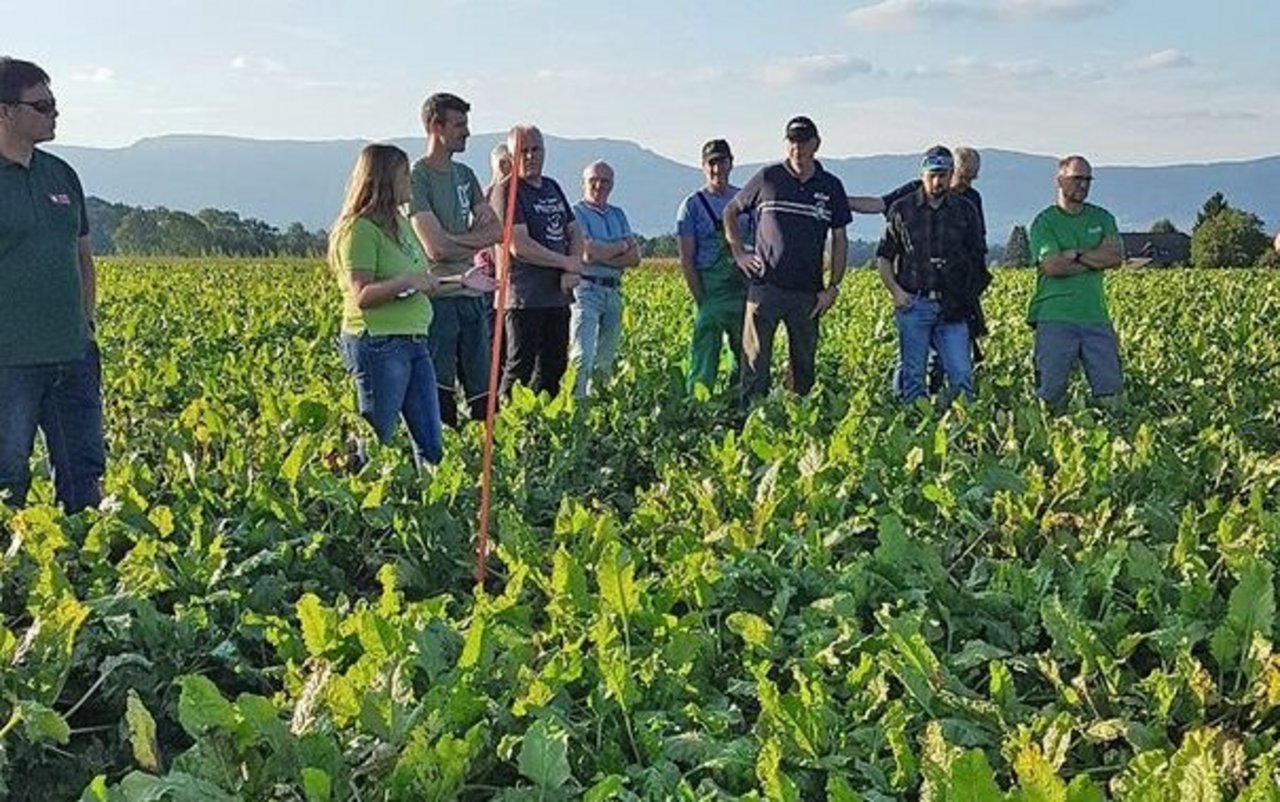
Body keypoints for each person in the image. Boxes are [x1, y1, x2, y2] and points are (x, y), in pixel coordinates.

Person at [330, 144, 493, 466]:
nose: (410, 182)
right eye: (404, 175)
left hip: (416, 340)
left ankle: (431, 508)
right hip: (380, 343)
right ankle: (354, 499)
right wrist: (405, 281)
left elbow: (420, 282)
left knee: (431, 442)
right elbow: (362, 295)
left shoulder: (401, 225)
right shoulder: (359, 230)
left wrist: (460, 282)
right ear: (385, 179)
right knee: (378, 439)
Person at [0, 57, 105, 512]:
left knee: (84, 472)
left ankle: (84, 571)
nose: (54, 113)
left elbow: (82, 256)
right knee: (6, 477)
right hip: (10, 360)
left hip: (72, 355)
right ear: (5, 112)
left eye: (55, 103)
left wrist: (85, 324)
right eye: (41, 106)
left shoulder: (61, 174)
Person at [724, 116, 850, 403]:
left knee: (804, 369)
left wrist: (833, 287)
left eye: (803, 141)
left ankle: (798, 427)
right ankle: (750, 423)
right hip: (765, 288)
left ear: (815, 145)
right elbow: (731, 211)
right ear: (786, 144)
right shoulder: (768, 178)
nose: (797, 147)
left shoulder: (830, 186)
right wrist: (739, 252)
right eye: (792, 141)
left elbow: (840, 238)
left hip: (808, 293)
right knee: (755, 367)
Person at [851, 146, 990, 397]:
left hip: (953, 303)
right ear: (923, 175)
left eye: (944, 175)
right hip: (915, 301)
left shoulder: (967, 207)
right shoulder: (903, 207)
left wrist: (968, 292)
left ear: (950, 174)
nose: (938, 181)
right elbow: (884, 255)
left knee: (960, 372)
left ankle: (959, 426)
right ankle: (913, 422)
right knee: (912, 373)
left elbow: (977, 254)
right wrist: (896, 292)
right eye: (933, 175)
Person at [408, 93, 502, 427]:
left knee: (484, 394)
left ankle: (487, 463)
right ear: (436, 126)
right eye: (459, 125)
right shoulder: (417, 178)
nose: (467, 132)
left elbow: (496, 231)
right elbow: (435, 249)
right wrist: (466, 243)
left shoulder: (466, 175)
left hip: (473, 295)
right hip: (440, 298)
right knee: (439, 392)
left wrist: (455, 241)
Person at [492, 125, 584, 398]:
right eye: (523, 151)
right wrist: (564, 263)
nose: (530, 156)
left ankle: (544, 427)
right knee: (519, 370)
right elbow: (520, 246)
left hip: (557, 296)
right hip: (524, 299)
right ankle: (506, 426)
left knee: (554, 368)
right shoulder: (507, 191)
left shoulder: (552, 187)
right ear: (511, 155)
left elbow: (575, 231)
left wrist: (573, 263)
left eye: (536, 150)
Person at [1027, 155, 1125, 409]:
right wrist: (1094, 257)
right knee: (1050, 394)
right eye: (1076, 178)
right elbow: (1052, 266)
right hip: (1054, 317)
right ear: (1060, 181)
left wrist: (1076, 254)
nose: (1083, 184)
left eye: (1087, 179)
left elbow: (1115, 257)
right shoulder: (1044, 222)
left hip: (1096, 316)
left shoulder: (1102, 218)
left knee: (1111, 392)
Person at [676, 138, 753, 395]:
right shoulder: (692, 205)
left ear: (731, 164)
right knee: (704, 355)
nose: (717, 169)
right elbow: (687, 259)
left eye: (722, 162)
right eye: (712, 163)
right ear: (703, 167)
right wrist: (701, 297)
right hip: (711, 286)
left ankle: (738, 403)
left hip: (742, 287)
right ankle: (699, 409)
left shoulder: (745, 201)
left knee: (745, 353)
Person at [568, 161, 640, 398]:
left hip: (613, 292)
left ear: (612, 185)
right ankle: (577, 408)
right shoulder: (576, 213)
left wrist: (603, 253)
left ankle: (599, 408)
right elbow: (587, 254)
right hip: (587, 289)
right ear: (584, 182)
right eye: (593, 181)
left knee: (605, 361)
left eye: (605, 181)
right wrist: (619, 246)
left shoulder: (618, 214)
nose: (599, 186)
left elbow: (635, 258)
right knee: (582, 357)